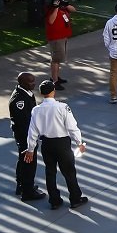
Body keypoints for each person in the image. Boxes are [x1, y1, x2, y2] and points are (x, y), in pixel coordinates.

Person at [24, 79, 88, 210]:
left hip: (47, 144)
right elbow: (72, 127)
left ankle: (54, 200)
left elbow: (32, 132)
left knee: (50, 171)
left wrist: (30, 149)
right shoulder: (62, 107)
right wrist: (79, 142)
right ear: (53, 91)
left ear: (41, 93)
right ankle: (75, 198)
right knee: (69, 171)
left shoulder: (36, 110)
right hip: (62, 143)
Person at [9, 72, 44, 201]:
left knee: (24, 160)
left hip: (27, 134)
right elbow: (24, 122)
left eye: (34, 81)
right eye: (30, 82)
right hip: (26, 135)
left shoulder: (26, 93)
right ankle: (27, 191)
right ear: (22, 83)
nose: (34, 83)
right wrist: (32, 140)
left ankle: (22, 185)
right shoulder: (20, 100)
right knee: (29, 162)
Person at [45, 0, 77, 88]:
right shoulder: (50, 9)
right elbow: (51, 21)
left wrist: (65, 4)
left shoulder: (63, 8)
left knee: (58, 59)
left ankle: (56, 77)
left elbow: (74, 10)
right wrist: (56, 7)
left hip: (63, 37)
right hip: (56, 38)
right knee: (56, 59)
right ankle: (54, 81)